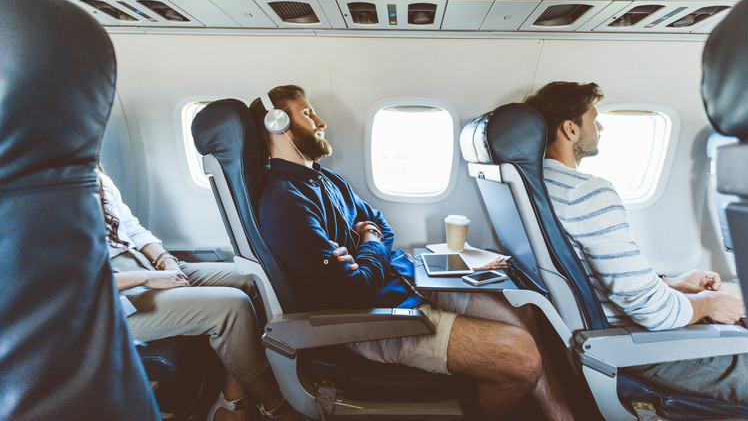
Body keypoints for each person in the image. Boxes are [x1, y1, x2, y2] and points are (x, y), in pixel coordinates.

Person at [249, 85, 576, 420]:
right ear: (277, 124)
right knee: (522, 357)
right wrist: (371, 243)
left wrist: (366, 245)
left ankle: (561, 414)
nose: (321, 121)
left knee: (523, 312)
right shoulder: (286, 204)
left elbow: (380, 224)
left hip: (405, 283)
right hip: (372, 320)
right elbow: (356, 290)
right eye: (307, 113)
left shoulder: (326, 180)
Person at [524, 81, 748, 408]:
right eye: (593, 119)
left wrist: (672, 284)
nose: (600, 126)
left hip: (620, 328)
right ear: (570, 129)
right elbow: (650, 311)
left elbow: (596, 280)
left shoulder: (537, 186)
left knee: (746, 296)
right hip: (645, 346)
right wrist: (708, 304)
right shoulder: (587, 192)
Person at [97, 171, 303, 421]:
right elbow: (71, 284)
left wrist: (167, 263)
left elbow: (132, 230)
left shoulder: (97, 176)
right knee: (232, 306)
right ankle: (275, 406)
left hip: (143, 265)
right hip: (110, 296)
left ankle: (232, 399)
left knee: (253, 280)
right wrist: (146, 278)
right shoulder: (43, 196)